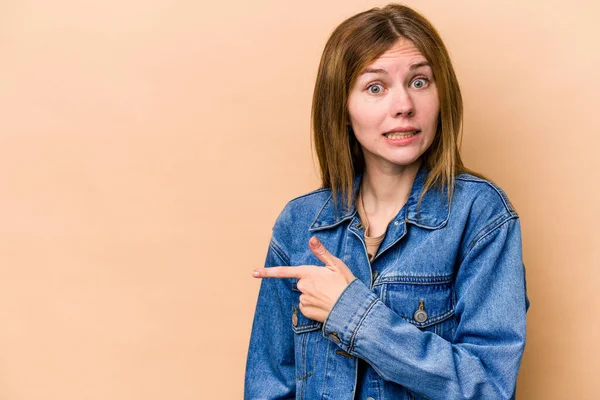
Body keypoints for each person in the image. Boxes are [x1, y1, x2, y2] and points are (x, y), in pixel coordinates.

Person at [245, 3, 529, 399]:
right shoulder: (299, 224)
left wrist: (355, 315)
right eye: (375, 87)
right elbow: (269, 388)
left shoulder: (480, 216)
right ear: (341, 109)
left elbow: (490, 388)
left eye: (419, 82)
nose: (404, 106)